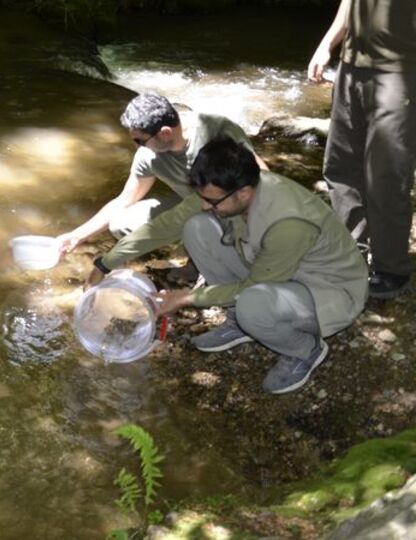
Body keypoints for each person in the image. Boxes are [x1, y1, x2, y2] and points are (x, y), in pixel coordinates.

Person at [90, 139, 368, 394]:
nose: (203, 204)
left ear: (244, 193)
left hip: (327, 291)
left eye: (211, 200)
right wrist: (105, 262)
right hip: (277, 272)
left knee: (252, 303)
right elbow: (165, 225)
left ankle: (303, 351)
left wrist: (186, 298)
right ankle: (241, 322)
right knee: (196, 227)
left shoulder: (288, 223)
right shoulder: (230, 189)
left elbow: (253, 286)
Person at [56, 92, 267, 257]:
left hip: (233, 203)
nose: (137, 146)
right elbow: (124, 200)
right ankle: (191, 245)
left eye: (140, 140)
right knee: (121, 224)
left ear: (165, 133)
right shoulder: (148, 156)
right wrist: (76, 236)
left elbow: (262, 174)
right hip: (193, 204)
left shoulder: (215, 129)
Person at [308, 0, 416, 298]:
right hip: (351, 68)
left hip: (400, 72)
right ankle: (352, 250)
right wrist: (327, 45)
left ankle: (391, 268)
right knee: (340, 165)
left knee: (386, 175)